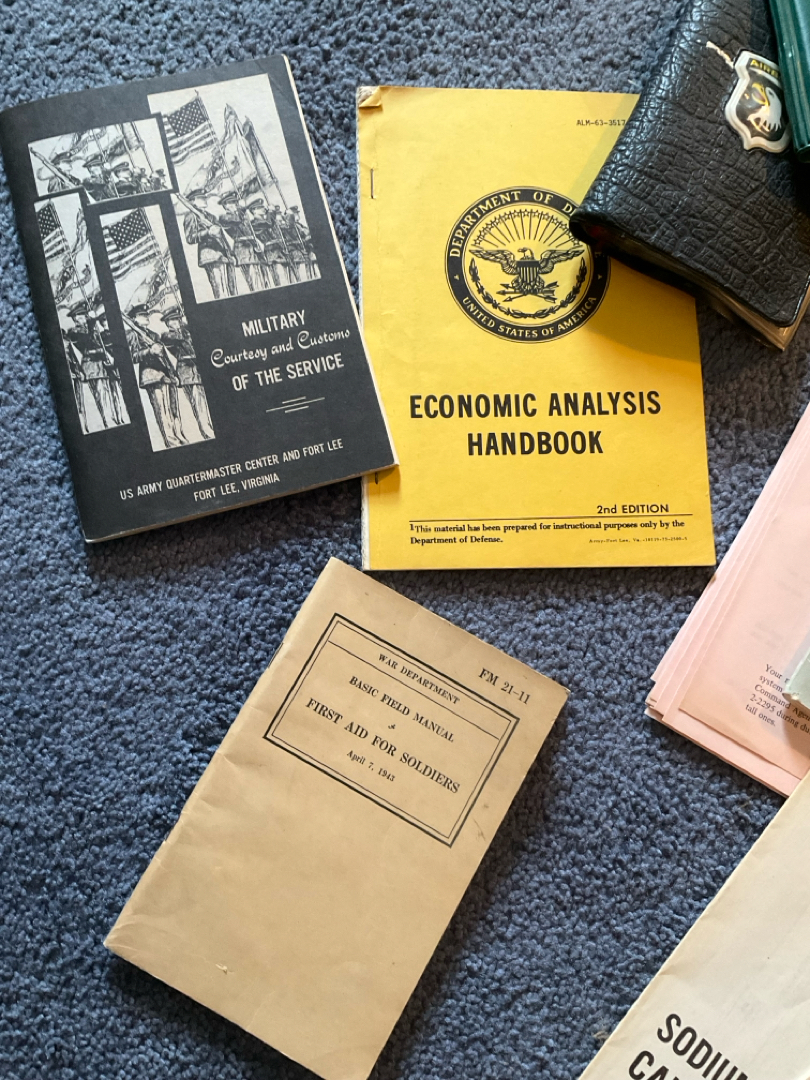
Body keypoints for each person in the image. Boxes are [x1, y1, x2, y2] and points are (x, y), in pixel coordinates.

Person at [127, 304, 185, 449]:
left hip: (165, 374)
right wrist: (149, 351)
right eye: (142, 315)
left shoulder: (154, 335)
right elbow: (132, 357)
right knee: (162, 412)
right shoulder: (132, 335)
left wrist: (174, 374)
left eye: (146, 314)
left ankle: (179, 436)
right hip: (151, 375)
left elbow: (165, 357)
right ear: (134, 319)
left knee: (173, 410)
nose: (146, 317)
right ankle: (171, 442)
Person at [62, 301, 124, 429]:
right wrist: (92, 323)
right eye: (79, 317)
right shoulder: (74, 332)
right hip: (92, 368)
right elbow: (86, 344)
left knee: (109, 397)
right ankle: (109, 424)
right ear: (75, 319)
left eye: (84, 316)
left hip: (103, 367)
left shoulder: (93, 329)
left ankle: (116, 421)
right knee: (101, 399)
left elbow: (99, 342)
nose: (82, 319)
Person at [159, 305, 214, 440]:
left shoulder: (186, 332)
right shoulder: (168, 335)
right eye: (173, 320)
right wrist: (187, 326)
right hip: (187, 373)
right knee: (198, 403)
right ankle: (207, 432)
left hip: (196, 371)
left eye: (178, 319)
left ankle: (208, 429)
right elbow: (177, 338)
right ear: (168, 323)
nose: (176, 322)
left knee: (203, 402)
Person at [183, 196, 237, 300]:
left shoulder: (211, 216)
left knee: (230, 289)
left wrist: (231, 253)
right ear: (193, 201)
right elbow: (190, 238)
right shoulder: (191, 216)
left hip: (223, 253)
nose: (205, 199)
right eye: (201, 198)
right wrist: (207, 232)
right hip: (209, 254)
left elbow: (222, 235)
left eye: (205, 197)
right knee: (219, 290)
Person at [217, 189, 267, 292]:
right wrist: (243, 208)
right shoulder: (224, 217)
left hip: (254, 248)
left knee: (262, 278)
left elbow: (250, 229)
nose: (234, 204)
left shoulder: (243, 215)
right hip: (242, 249)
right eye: (231, 202)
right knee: (252, 280)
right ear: (225, 205)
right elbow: (236, 220)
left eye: (235, 202)